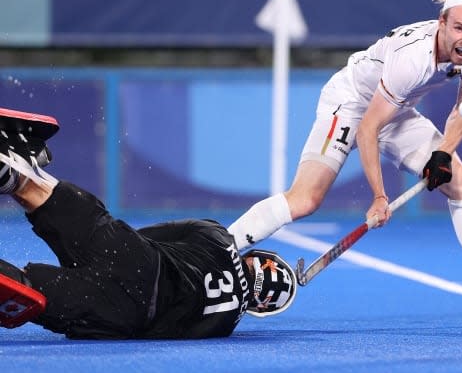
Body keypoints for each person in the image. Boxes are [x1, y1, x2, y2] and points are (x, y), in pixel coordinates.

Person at [227, 0, 462, 326]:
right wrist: (379, 197)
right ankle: (223, 247)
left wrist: (443, 154)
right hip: (351, 104)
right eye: (459, 28)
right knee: (305, 199)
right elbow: (368, 128)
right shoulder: (412, 60)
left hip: (397, 111)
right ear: (441, 22)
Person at [0, 109, 297, 339]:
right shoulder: (224, 325)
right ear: (259, 307)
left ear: (258, 257)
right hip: (126, 314)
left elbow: (147, 236)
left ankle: (15, 167)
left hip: (138, 259)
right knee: (24, 290)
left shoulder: (215, 234)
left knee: (36, 192)